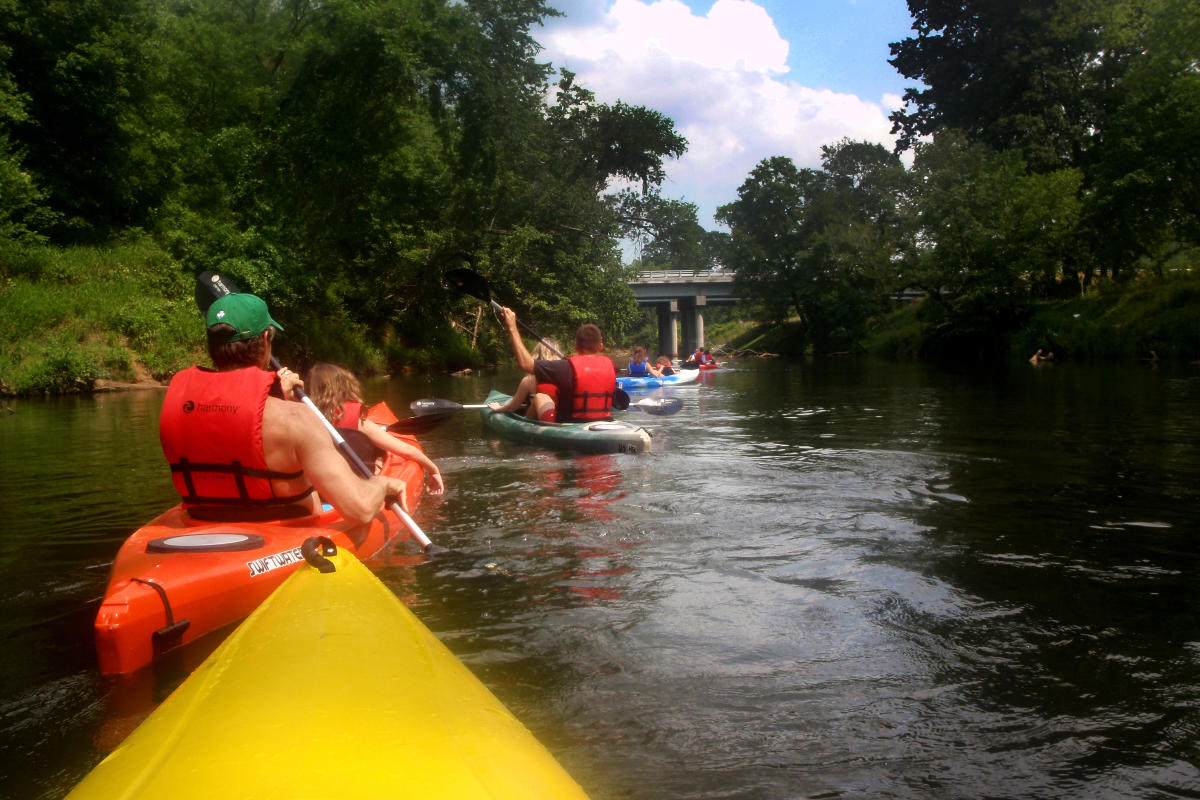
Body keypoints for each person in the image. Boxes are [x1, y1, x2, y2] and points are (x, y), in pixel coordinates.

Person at [159, 293, 410, 525]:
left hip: (201, 523)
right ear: (267, 338)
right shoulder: (296, 419)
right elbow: (361, 510)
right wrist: (382, 484)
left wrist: (277, 395)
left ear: (211, 345)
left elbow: (238, 428)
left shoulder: (180, 411)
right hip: (287, 530)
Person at [306, 362, 445, 495]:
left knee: (377, 453)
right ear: (344, 387)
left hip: (320, 492)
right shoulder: (358, 422)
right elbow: (407, 451)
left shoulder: (303, 420)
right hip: (356, 491)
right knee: (378, 453)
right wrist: (434, 469)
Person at [497, 306, 617, 422]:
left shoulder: (565, 367)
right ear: (600, 347)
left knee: (540, 397)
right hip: (604, 421)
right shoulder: (610, 367)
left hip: (571, 424)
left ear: (576, 347)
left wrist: (512, 327)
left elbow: (525, 364)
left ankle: (528, 429)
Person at [487, 338, 563, 421]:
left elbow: (511, 407)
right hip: (560, 418)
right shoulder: (565, 377)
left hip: (536, 420)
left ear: (537, 355)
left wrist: (499, 408)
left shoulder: (529, 380)